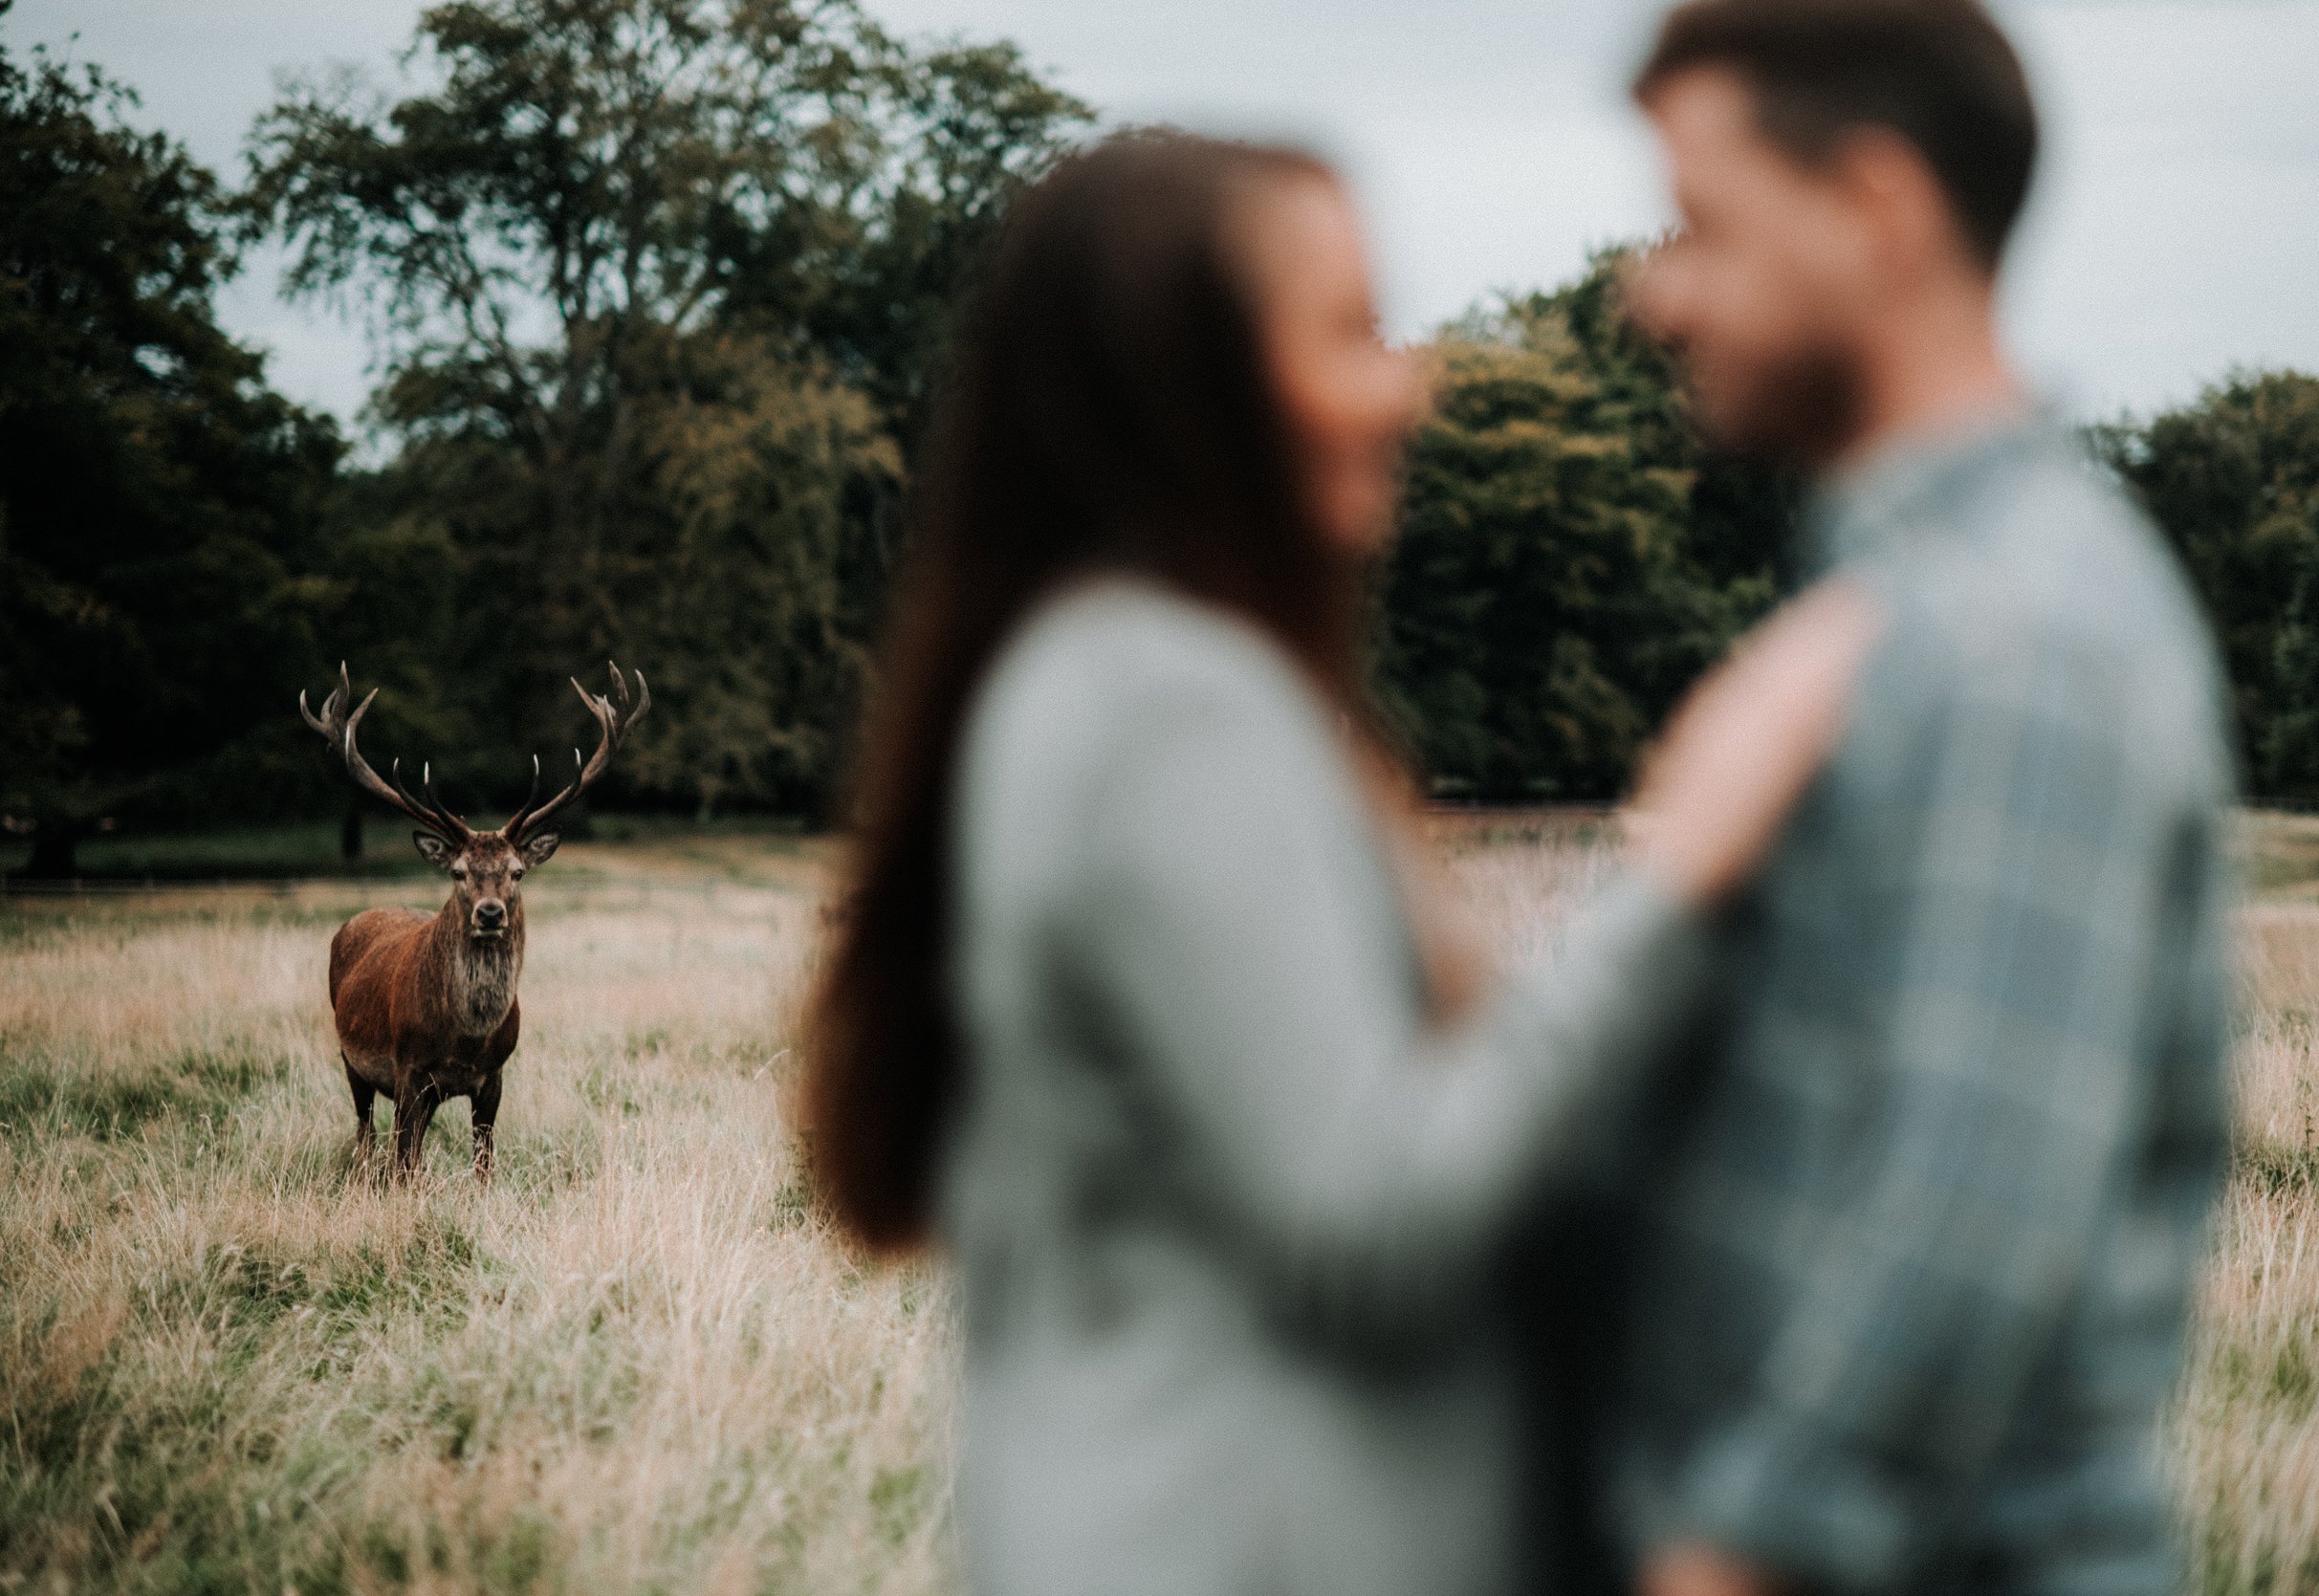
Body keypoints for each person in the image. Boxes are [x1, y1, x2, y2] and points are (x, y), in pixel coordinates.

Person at [797, 131, 1877, 1596]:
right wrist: (1678, 877)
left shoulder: (1105, 677)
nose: (1412, 382)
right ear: (1193, 392)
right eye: (1352, 332)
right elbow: (1372, 1216)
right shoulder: (1166, 704)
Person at [1547, 5, 2237, 1595]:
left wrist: (1725, 1558)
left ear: (1876, 208)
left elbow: (1969, 1211)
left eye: (1700, 226)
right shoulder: (1917, 599)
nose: (1654, 293)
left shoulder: (2014, 634)